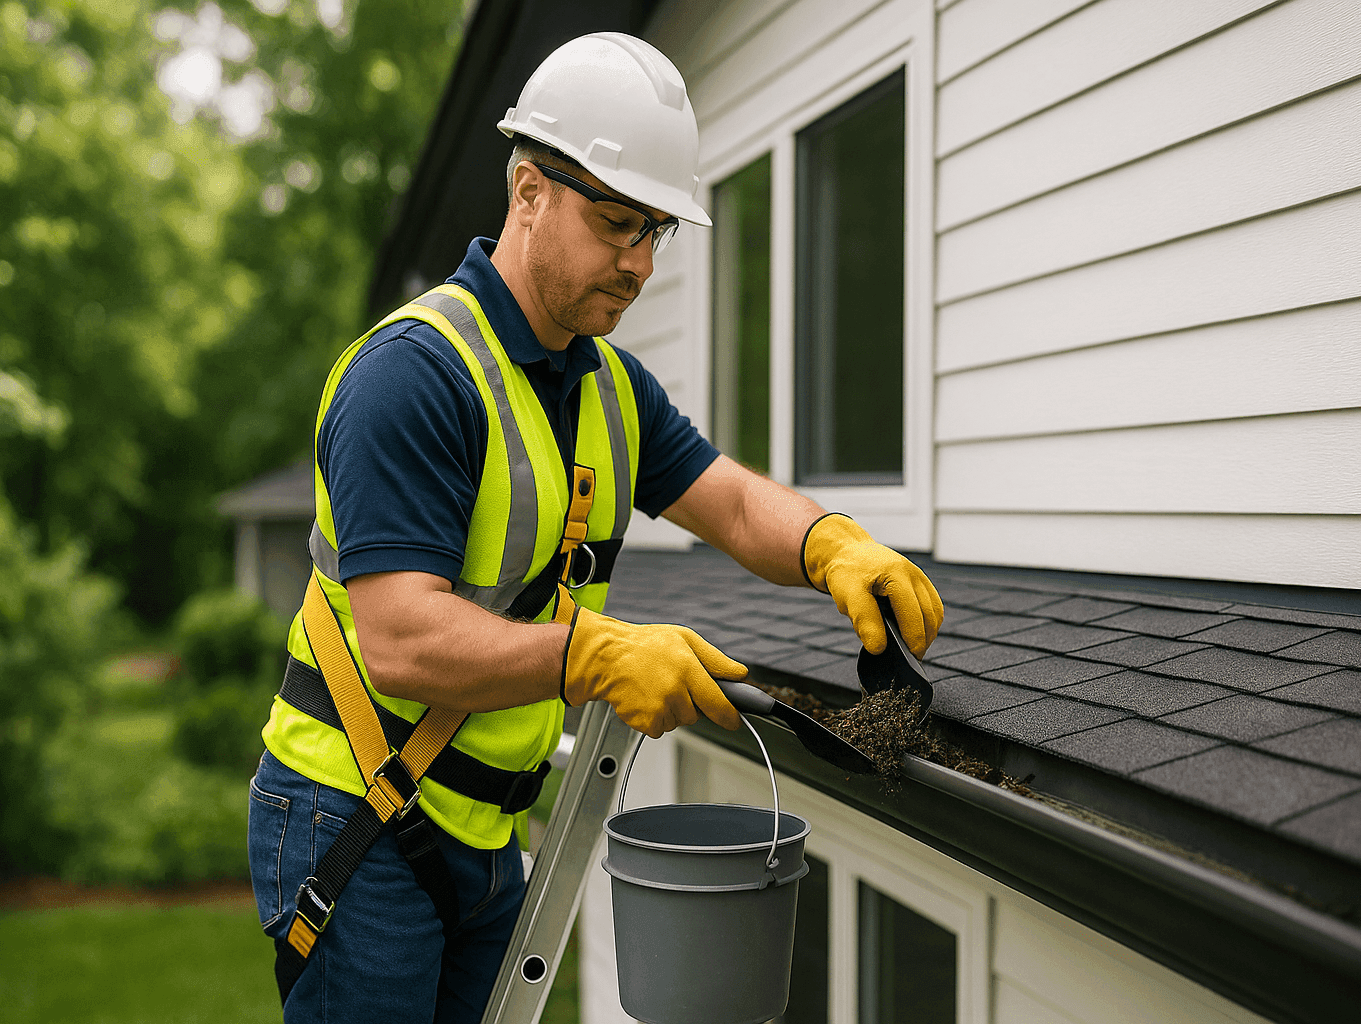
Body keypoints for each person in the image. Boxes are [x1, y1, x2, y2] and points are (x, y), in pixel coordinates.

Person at [247, 31, 942, 1023]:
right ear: (527, 191)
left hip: (483, 824)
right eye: (617, 223)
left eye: (656, 231)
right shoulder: (413, 373)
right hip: (349, 812)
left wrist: (833, 542)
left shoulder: (607, 388)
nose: (639, 261)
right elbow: (399, 639)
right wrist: (595, 655)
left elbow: (735, 503)